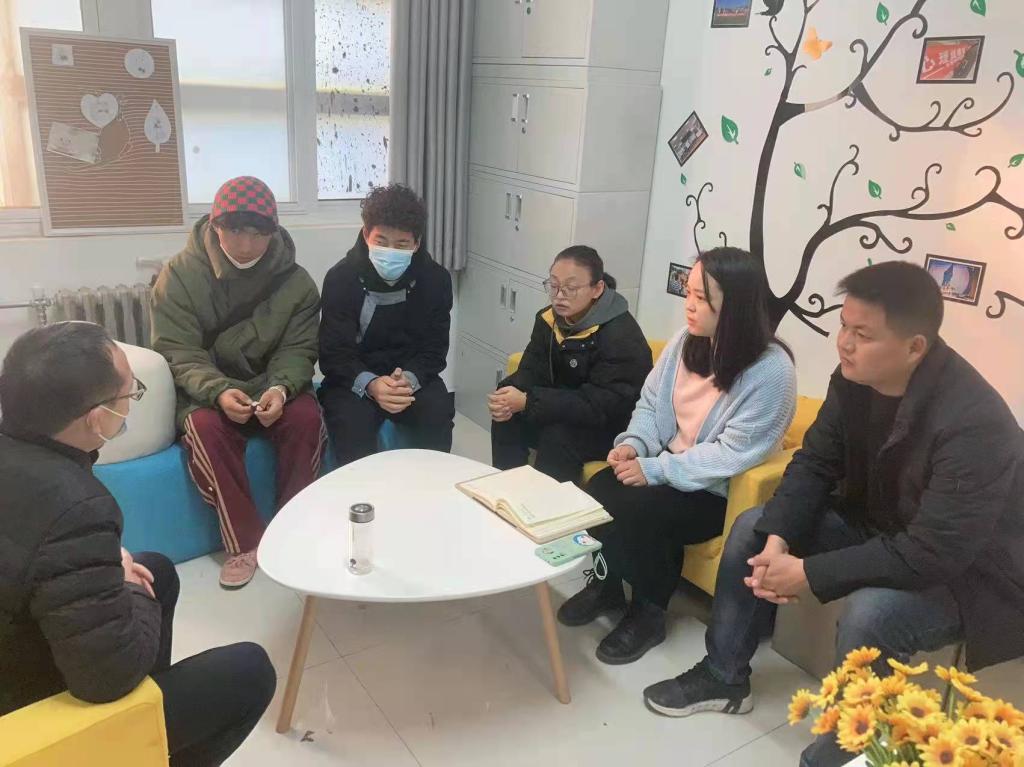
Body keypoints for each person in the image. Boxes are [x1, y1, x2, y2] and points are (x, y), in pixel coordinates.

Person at [640, 261, 1024, 767]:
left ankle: (846, 747)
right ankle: (725, 675)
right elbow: (815, 463)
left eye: (863, 335)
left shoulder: (974, 423)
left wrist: (808, 573)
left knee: (873, 614)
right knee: (753, 529)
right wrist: (779, 540)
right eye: (844, 325)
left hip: (971, 573)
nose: (844, 343)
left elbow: (935, 551)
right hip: (880, 524)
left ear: (915, 347)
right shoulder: (854, 380)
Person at [0, 322, 275, 766]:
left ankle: (144, 745)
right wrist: (124, 583)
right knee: (249, 671)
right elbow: (106, 678)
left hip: (16, 639)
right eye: (129, 394)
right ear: (96, 418)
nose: (130, 405)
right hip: (22, 722)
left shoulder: (25, 455)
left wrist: (115, 567)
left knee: (157, 571)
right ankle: (129, 741)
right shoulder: (76, 505)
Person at [557, 247, 797, 666]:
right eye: (689, 292)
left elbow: (731, 455)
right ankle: (606, 587)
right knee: (601, 488)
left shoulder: (771, 371)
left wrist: (654, 469)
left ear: (736, 306)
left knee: (643, 511)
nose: (689, 305)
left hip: (715, 489)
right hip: (670, 466)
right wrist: (634, 444)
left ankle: (648, 613)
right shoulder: (687, 341)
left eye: (702, 298)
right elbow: (651, 405)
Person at [151, 176, 325, 589]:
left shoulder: (297, 283)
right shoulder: (178, 275)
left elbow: (298, 349)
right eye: (234, 231)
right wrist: (217, 390)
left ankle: (294, 527)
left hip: (272, 384)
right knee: (204, 428)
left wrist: (280, 389)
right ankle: (245, 543)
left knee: (306, 417)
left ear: (274, 231)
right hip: (208, 389)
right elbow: (177, 350)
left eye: (258, 233)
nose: (246, 245)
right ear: (214, 226)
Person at [489, 245, 652, 482]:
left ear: (597, 289)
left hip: (609, 425)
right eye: (554, 285)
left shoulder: (620, 335)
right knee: (507, 416)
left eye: (571, 288)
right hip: (562, 408)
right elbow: (532, 369)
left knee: (558, 437)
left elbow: (599, 405)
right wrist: (507, 393)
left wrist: (529, 401)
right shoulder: (548, 319)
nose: (559, 296)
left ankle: (547, 503)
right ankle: (505, 488)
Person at [318, 183, 454, 465]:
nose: (390, 251)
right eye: (381, 241)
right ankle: (360, 492)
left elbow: (435, 350)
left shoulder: (436, 280)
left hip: (410, 378)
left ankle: (431, 485)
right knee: (351, 424)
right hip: (354, 379)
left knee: (438, 411)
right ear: (366, 234)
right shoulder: (341, 278)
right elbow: (334, 355)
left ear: (416, 243)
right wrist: (371, 384)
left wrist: (408, 381)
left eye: (402, 244)